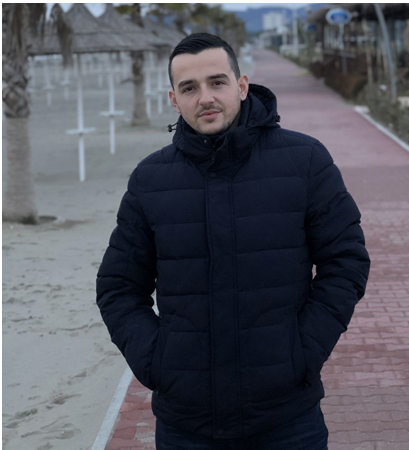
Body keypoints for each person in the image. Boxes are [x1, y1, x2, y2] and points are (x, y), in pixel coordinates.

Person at [96, 33, 370, 449]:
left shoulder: (305, 160)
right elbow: (118, 287)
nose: (205, 97)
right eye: (189, 88)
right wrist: (157, 363)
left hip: (287, 419)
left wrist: (301, 353)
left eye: (217, 82)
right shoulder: (151, 180)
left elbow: (345, 262)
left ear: (241, 86)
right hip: (187, 425)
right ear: (174, 100)